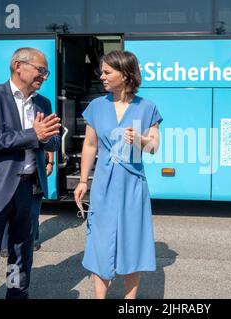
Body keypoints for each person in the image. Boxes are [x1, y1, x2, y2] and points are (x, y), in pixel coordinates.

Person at [0, 47, 61, 299]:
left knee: (20, 257)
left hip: (29, 190)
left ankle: (16, 297)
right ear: (19, 66)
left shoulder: (43, 102)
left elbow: (50, 142)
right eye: (41, 70)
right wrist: (34, 134)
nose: (45, 76)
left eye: (46, 72)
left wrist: (49, 138)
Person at [74, 50, 162, 299]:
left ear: (124, 74)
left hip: (133, 183)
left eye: (106, 72)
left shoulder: (147, 107)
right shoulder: (96, 106)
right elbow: (90, 145)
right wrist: (83, 181)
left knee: (132, 241)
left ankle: (129, 299)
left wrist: (141, 140)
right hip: (104, 181)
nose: (101, 77)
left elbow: (154, 147)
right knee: (100, 242)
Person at [0, 151, 54, 257]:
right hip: (8, 175)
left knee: (33, 213)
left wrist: (50, 163)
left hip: (33, 175)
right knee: (7, 212)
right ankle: (5, 245)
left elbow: (50, 139)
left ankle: (33, 240)